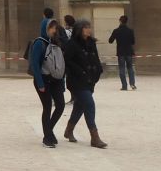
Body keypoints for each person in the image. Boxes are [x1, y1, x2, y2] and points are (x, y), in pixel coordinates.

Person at [63, 19, 107, 148]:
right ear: (79, 29)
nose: (89, 29)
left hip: (90, 80)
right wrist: (79, 72)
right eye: (85, 27)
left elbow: (95, 58)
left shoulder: (91, 42)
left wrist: (98, 70)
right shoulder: (72, 44)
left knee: (80, 106)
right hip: (77, 81)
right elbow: (67, 62)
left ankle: (69, 130)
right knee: (89, 104)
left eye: (89, 27)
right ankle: (94, 137)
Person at [27, 17, 66, 148]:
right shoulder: (39, 43)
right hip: (43, 80)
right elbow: (35, 65)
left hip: (55, 80)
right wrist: (40, 83)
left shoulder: (54, 42)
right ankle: (47, 138)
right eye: (53, 28)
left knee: (60, 105)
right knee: (47, 107)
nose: (55, 30)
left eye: (55, 27)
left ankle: (48, 132)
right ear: (46, 29)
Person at [107, 15, 137, 91]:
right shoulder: (130, 31)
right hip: (129, 51)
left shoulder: (116, 31)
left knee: (122, 69)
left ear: (120, 21)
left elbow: (110, 41)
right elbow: (133, 42)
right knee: (130, 68)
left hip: (120, 52)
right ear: (126, 21)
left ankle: (124, 86)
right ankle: (132, 84)